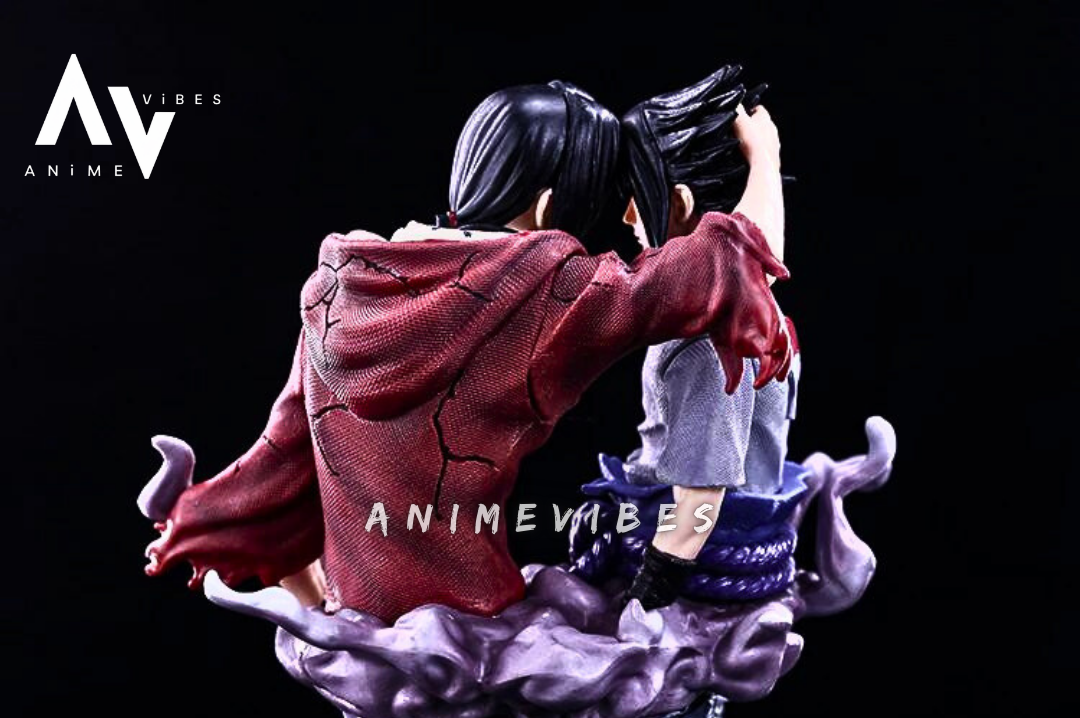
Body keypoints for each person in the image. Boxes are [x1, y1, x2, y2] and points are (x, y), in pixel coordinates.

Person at [144, 79, 790, 625]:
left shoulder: (338, 286)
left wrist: (322, 610)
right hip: (471, 623)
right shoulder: (547, 292)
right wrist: (764, 158)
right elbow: (732, 262)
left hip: (365, 619)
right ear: (549, 205)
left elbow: (284, 463)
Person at [620, 66, 799, 610]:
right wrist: (764, 161)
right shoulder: (741, 307)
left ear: (678, 204)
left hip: (693, 549)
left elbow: (700, 500)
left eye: (637, 197)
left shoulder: (709, 342)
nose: (627, 217)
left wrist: (645, 599)